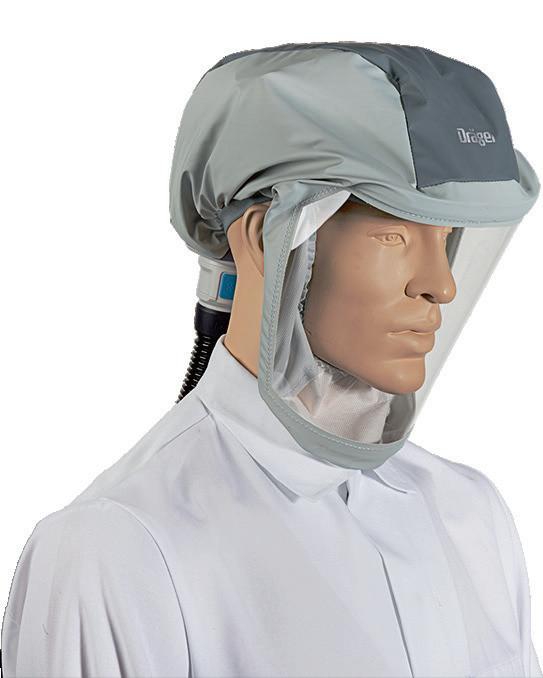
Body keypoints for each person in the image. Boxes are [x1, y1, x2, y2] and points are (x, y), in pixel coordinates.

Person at [1, 41, 541, 677]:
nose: (440, 285)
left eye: (446, 237)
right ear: (266, 239)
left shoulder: (471, 515)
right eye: (393, 234)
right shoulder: (117, 551)